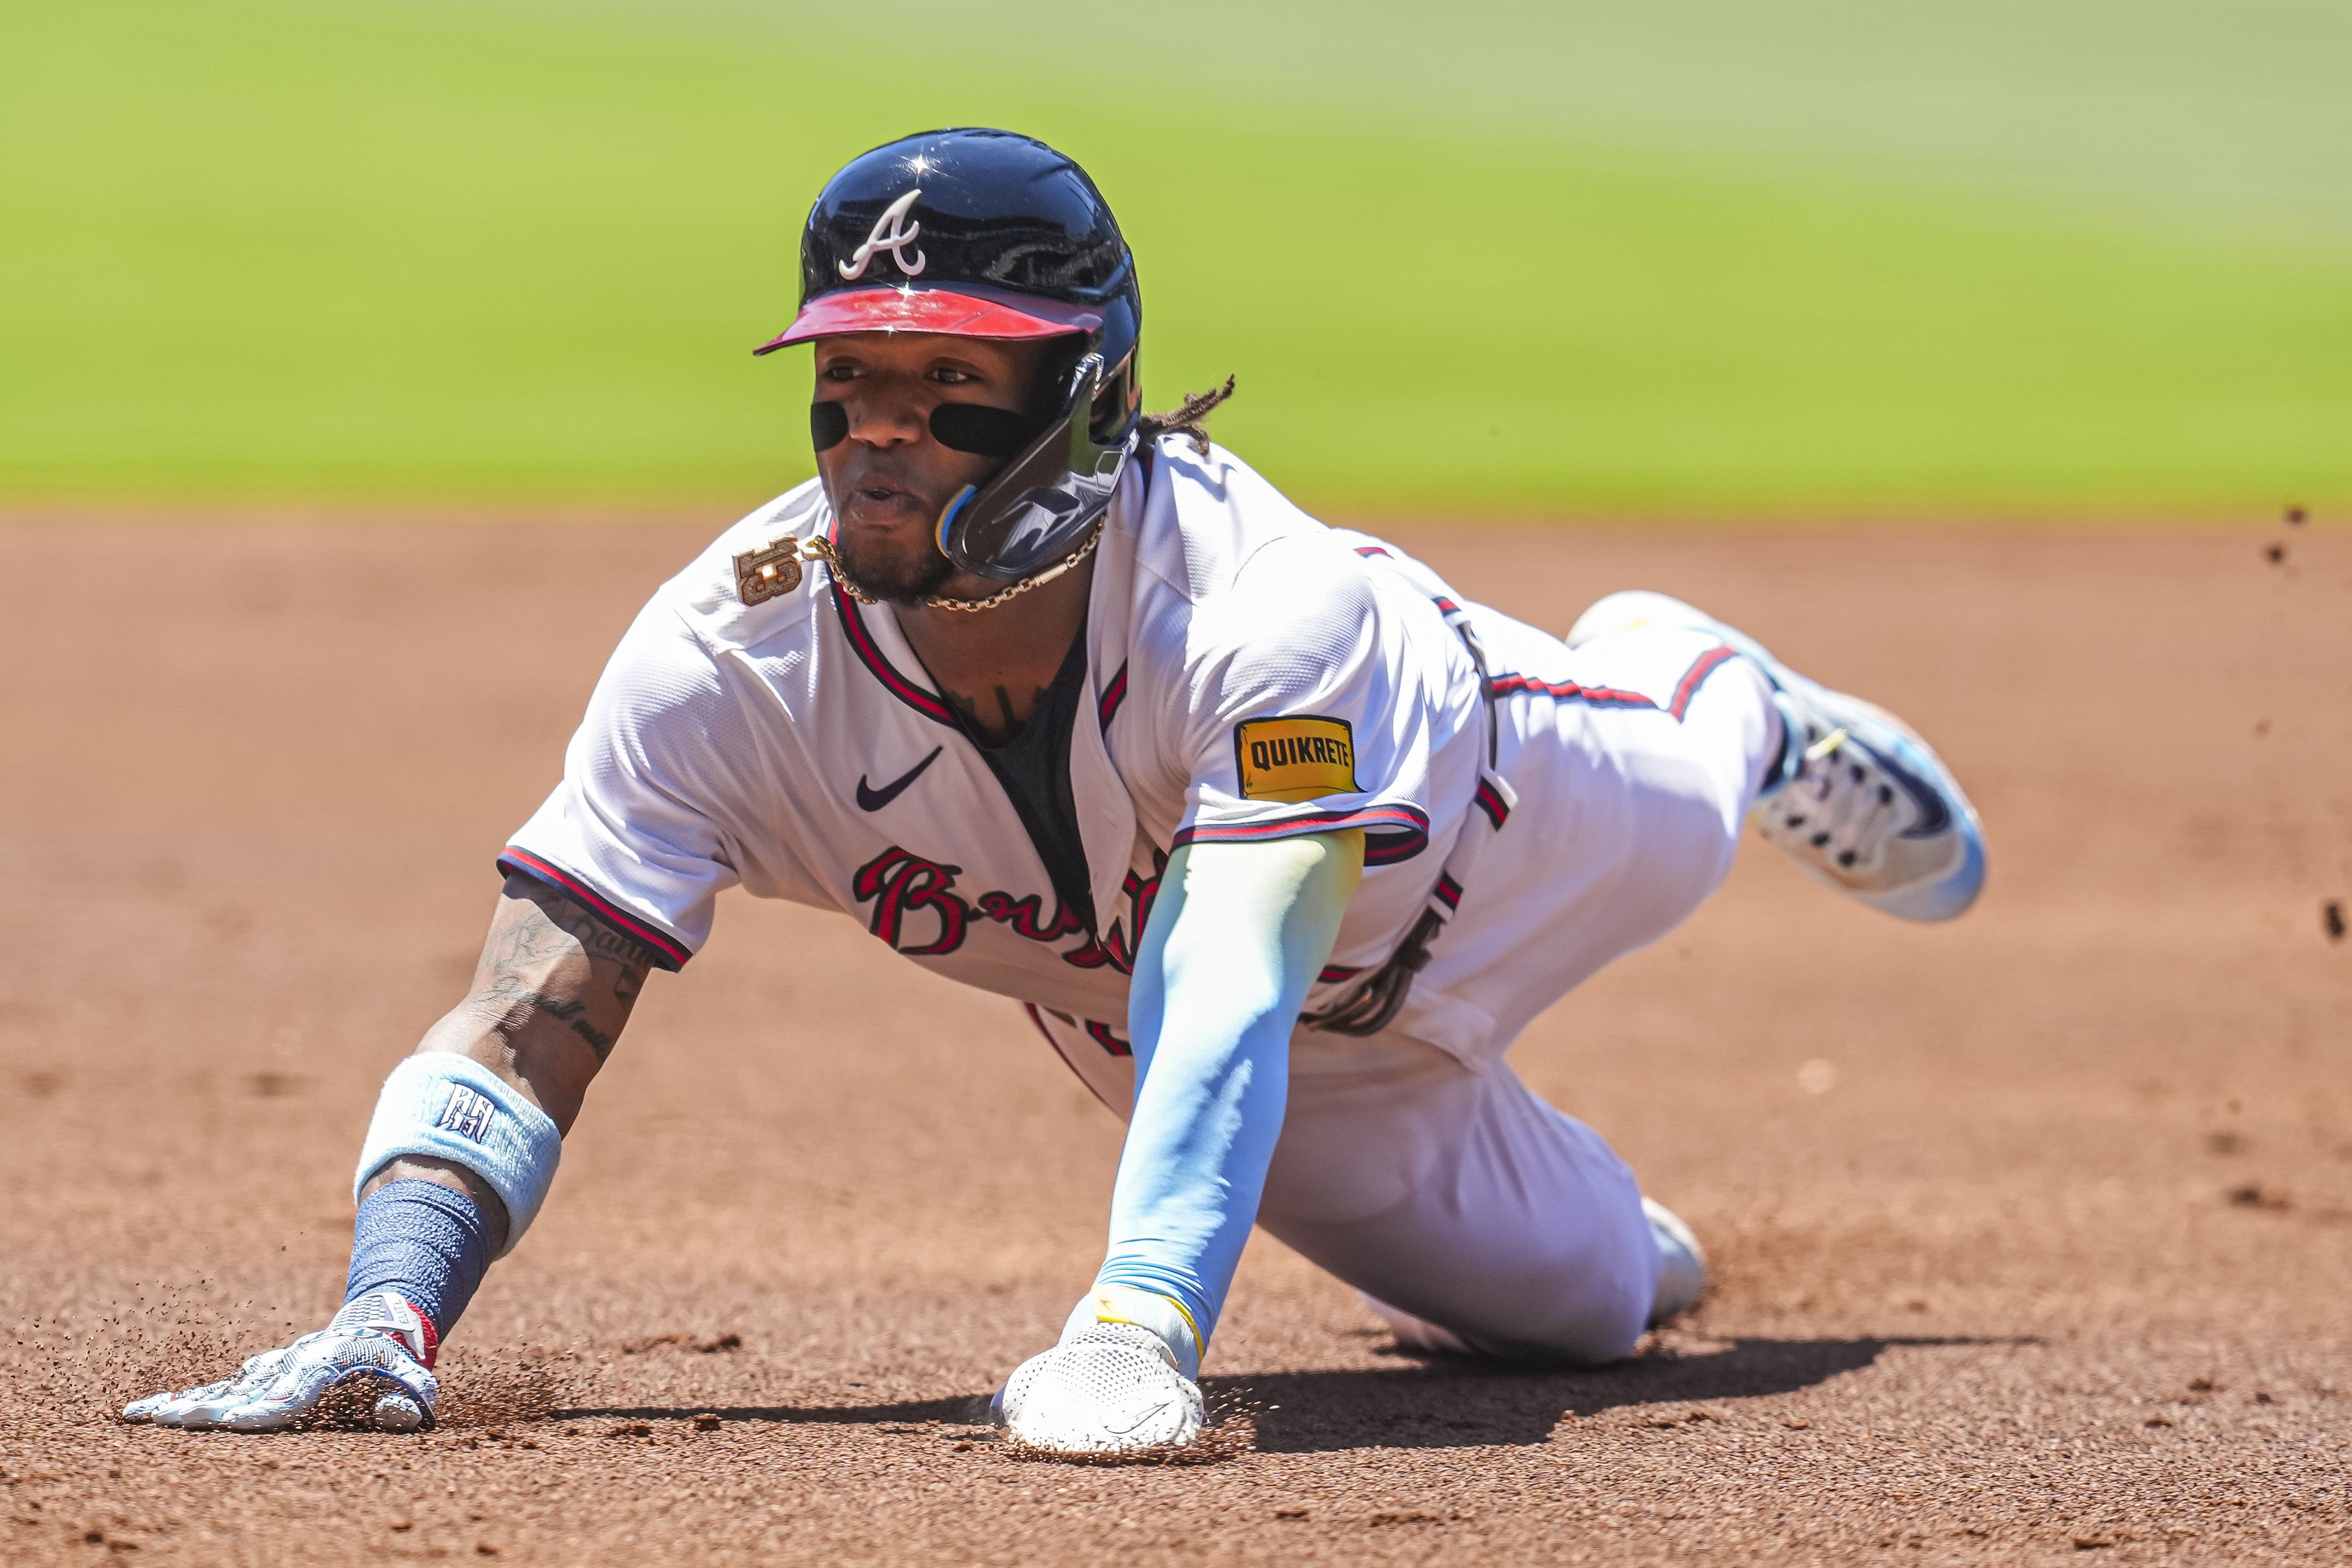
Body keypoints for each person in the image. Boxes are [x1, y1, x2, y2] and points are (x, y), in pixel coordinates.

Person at [124, 128, 1985, 1452]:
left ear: (1092, 398)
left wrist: (1141, 1319)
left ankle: (1720, 686)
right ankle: (1606, 1227)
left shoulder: (1270, 609)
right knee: (1584, 1315)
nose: (877, 433)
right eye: (849, 379)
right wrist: (392, 1302)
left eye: (951, 384)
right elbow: (535, 996)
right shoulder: (729, 658)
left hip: (1506, 823)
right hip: (1266, 1058)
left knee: (1687, 797)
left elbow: (1236, 963)